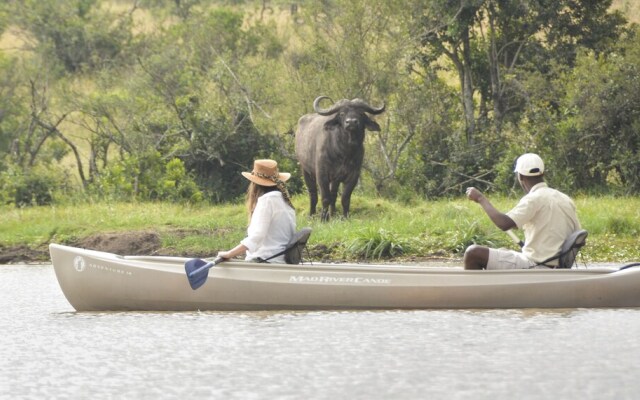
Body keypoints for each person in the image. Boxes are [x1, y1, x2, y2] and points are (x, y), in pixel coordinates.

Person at [463, 153, 581, 270]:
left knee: (473, 253)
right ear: (543, 173)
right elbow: (578, 235)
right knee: (502, 251)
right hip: (555, 266)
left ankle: (473, 288)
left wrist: (481, 199)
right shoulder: (565, 199)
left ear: (520, 176)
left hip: (537, 265)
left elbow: (504, 224)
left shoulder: (534, 198)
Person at [217, 159, 296, 263]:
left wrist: (229, 254)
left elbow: (257, 236)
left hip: (267, 260)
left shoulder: (267, 200)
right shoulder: (284, 199)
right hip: (281, 260)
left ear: (255, 182)